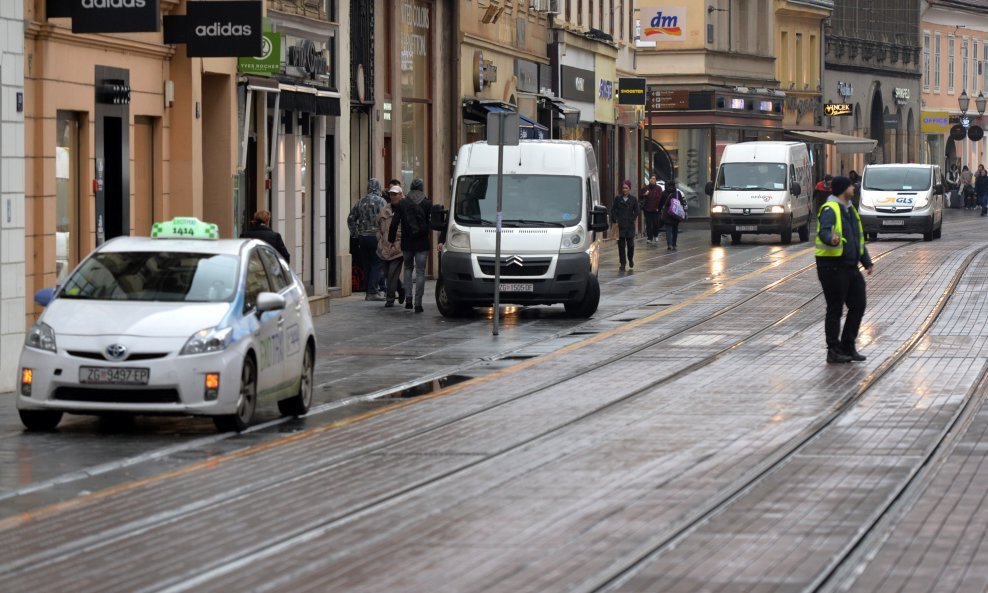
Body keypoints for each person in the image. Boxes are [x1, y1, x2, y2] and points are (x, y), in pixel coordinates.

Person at [815, 175, 874, 364]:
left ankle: (848, 345)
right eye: (851, 186)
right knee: (835, 309)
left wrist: (866, 261)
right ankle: (833, 350)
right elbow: (824, 230)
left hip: (850, 266)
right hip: (832, 267)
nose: (854, 188)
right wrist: (829, 239)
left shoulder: (850, 210)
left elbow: (857, 239)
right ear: (843, 189)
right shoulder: (830, 209)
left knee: (858, 304)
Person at [389, 180, 432, 313]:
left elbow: (395, 222)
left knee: (407, 269)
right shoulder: (427, 203)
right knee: (420, 272)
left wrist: (391, 239)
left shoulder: (403, 203)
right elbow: (431, 223)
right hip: (422, 243)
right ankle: (418, 303)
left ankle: (408, 299)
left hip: (407, 243)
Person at [348, 178, 388, 301]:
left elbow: (350, 218)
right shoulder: (382, 202)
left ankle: (368, 290)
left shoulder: (360, 201)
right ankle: (372, 292)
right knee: (377, 263)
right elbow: (386, 219)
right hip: (375, 237)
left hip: (362, 238)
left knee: (366, 264)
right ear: (378, 187)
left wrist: (355, 234)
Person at [377, 187, 406, 307]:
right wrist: (379, 239)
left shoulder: (404, 208)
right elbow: (378, 226)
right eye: (391, 194)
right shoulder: (385, 210)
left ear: (400, 195)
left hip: (398, 248)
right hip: (384, 247)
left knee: (392, 274)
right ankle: (400, 289)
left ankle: (390, 298)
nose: (393, 197)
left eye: (395, 194)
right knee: (388, 273)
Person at [610, 180, 640, 271]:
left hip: (630, 226)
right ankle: (622, 263)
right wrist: (615, 219)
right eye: (623, 188)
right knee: (621, 246)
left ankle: (630, 259)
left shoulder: (633, 199)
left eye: (626, 188)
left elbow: (637, 211)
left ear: (629, 189)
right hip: (620, 226)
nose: (624, 190)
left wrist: (633, 218)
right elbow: (613, 210)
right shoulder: (618, 199)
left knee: (631, 245)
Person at [658, 180, 685, 251]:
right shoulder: (677, 193)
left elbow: (660, 203)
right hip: (676, 214)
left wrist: (659, 210)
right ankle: (674, 244)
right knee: (675, 229)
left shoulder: (664, 193)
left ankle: (669, 244)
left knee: (668, 230)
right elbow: (682, 203)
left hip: (667, 214)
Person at [640, 175, 663, 244]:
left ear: (655, 180)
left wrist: (659, 208)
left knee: (656, 223)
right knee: (649, 224)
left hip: (656, 209)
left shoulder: (659, 188)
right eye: (651, 179)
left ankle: (655, 235)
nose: (652, 180)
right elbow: (640, 196)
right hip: (647, 209)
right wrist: (644, 194)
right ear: (649, 180)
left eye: (653, 179)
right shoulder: (645, 188)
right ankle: (649, 238)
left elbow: (661, 199)